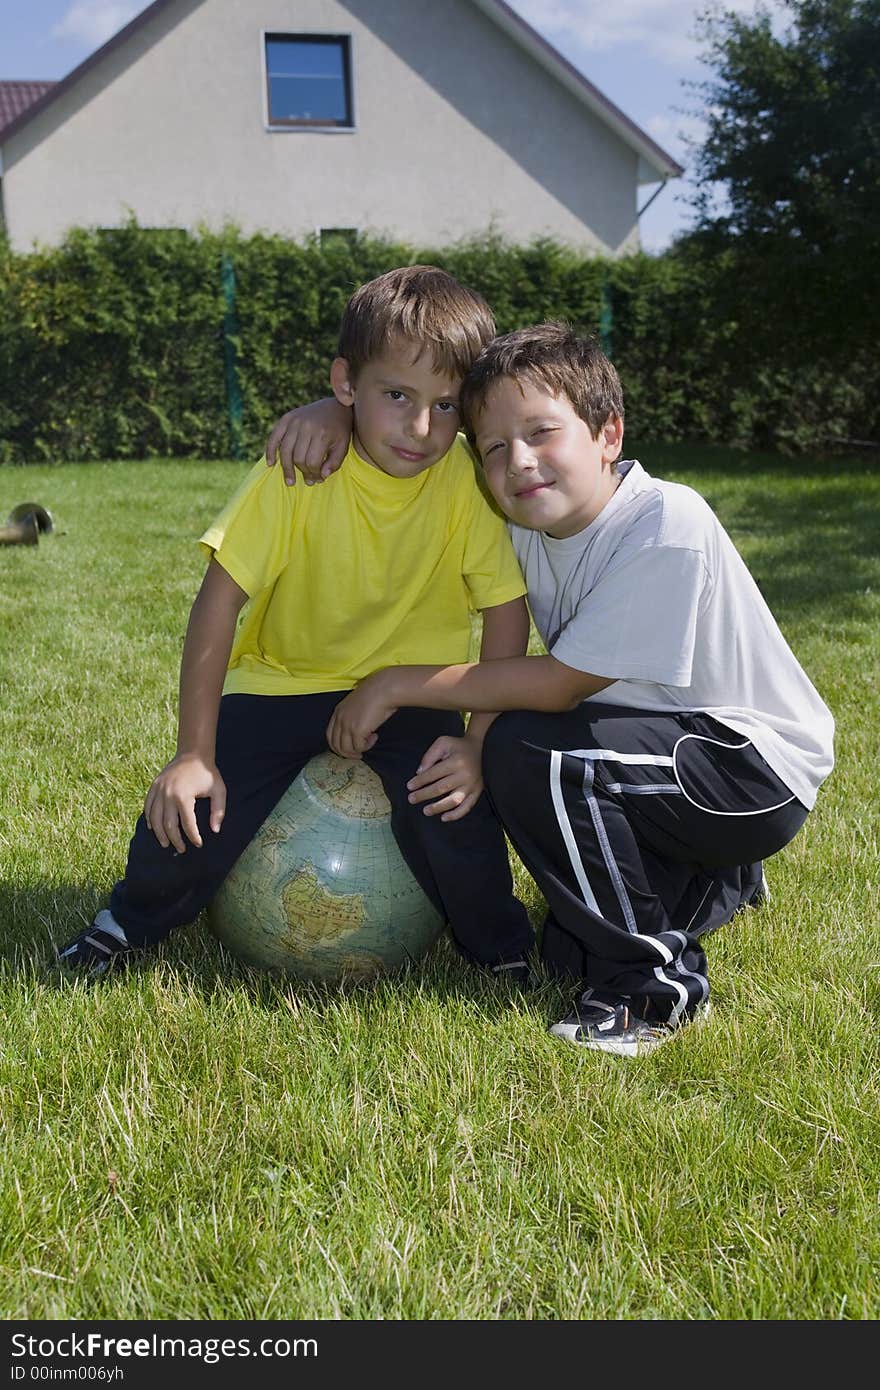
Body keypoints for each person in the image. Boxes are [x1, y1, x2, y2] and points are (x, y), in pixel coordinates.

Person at [263, 322, 835, 1056]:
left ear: (608, 434)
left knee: (535, 752)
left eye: (542, 433)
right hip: (667, 756)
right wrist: (333, 411)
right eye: (496, 447)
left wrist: (397, 685)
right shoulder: (524, 516)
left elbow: (562, 684)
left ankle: (650, 991)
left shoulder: (664, 520)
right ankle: (712, 881)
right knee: (565, 945)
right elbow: (419, 429)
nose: (518, 460)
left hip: (751, 769)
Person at [57, 266, 535, 980]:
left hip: (410, 693)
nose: (420, 427)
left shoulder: (466, 483)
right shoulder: (297, 468)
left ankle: (501, 950)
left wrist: (476, 742)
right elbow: (218, 600)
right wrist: (194, 751)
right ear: (346, 385)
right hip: (278, 682)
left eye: (445, 406)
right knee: (204, 810)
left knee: (452, 812)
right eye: (397, 396)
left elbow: (506, 612)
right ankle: (127, 922)